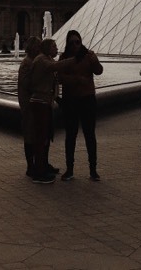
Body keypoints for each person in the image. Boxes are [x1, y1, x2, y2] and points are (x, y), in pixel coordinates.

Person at [58, 30, 103, 182]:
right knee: (70, 136)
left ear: (81, 41)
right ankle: (69, 169)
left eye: (77, 42)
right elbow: (59, 78)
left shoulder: (88, 56)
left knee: (90, 135)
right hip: (70, 100)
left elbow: (99, 71)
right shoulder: (63, 58)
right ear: (68, 44)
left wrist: (95, 60)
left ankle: (93, 170)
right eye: (72, 42)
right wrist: (76, 79)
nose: (75, 45)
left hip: (87, 99)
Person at [28, 38, 74, 184]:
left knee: (45, 137)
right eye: (54, 46)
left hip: (44, 101)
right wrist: (74, 59)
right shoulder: (42, 60)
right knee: (41, 138)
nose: (56, 48)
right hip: (40, 102)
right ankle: (39, 173)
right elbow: (55, 67)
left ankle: (41, 167)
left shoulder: (44, 58)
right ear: (47, 47)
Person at [17, 36, 60, 178]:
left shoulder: (38, 61)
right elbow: (27, 84)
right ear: (31, 48)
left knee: (44, 134)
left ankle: (43, 163)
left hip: (41, 102)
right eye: (37, 46)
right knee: (31, 136)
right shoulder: (27, 63)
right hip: (31, 105)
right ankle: (31, 166)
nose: (39, 48)